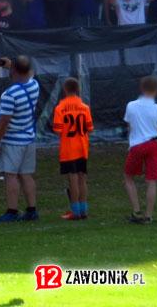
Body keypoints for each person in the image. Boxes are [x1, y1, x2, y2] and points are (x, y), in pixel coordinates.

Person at [0, 55, 40, 223]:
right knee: (26, 175)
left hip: (12, 141)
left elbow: (4, 121)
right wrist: (13, 66)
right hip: (28, 138)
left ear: (13, 70)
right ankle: (32, 210)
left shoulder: (10, 94)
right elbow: (29, 72)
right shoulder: (34, 85)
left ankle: (12, 211)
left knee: (10, 175)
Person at [52, 77, 93, 221]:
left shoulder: (60, 108)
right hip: (82, 147)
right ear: (78, 89)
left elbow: (58, 129)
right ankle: (83, 210)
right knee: (82, 179)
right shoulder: (85, 107)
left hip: (69, 149)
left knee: (73, 180)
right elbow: (89, 128)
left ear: (65, 89)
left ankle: (75, 211)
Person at [123, 74, 157, 224]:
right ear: (156, 90)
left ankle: (136, 211)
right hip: (153, 144)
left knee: (128, 176)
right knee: (151, 180)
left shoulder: (131, 106)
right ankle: (149, 215)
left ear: (141, 88)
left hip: (137, 145)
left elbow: (130, 126)